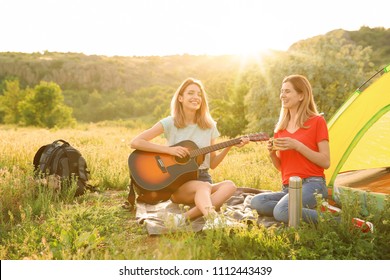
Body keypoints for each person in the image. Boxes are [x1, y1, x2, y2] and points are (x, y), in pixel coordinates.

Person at [130, 77, 249, 227]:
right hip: (178, 183)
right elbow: (136, 142)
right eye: (190, 93)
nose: (196, 97)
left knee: (230, 185)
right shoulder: (170, 123)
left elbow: (212, 164)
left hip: (203, 177)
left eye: (199, 94)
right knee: (204, 186)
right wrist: (169, 150)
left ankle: (184, 217)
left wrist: (229, 146)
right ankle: (213, 219)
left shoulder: (210, 126)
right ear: (180, 98)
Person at [250, 74, 330, 224]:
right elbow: (282, 167)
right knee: (257, 202)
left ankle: (339, 220)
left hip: (312, 184)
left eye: (287, 91)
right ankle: (312, 210)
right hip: (288, 188)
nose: (282, 95)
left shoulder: (317, 121)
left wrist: (298, 146)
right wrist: (272, 154)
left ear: (301, 95)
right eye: (282, 91)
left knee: (281, 211)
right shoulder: (280, 128)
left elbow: (325, 161)